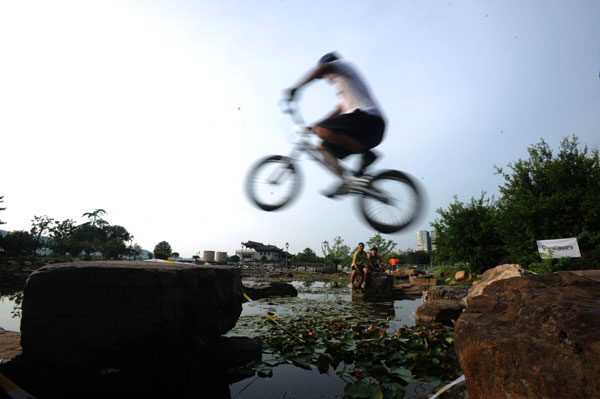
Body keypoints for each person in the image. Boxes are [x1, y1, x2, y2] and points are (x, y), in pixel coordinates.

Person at [286, 51, 386, 197]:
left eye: (324, 76)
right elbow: (337, 112)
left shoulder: (342, 66)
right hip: (365, 130)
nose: (325, 79)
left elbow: (322, 68)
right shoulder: (342, 89)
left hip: (369, 120)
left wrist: (297, 88)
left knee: (321, 130)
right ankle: (348, 181)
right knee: (324, 148)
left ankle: (367, 155)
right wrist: (313, 126)